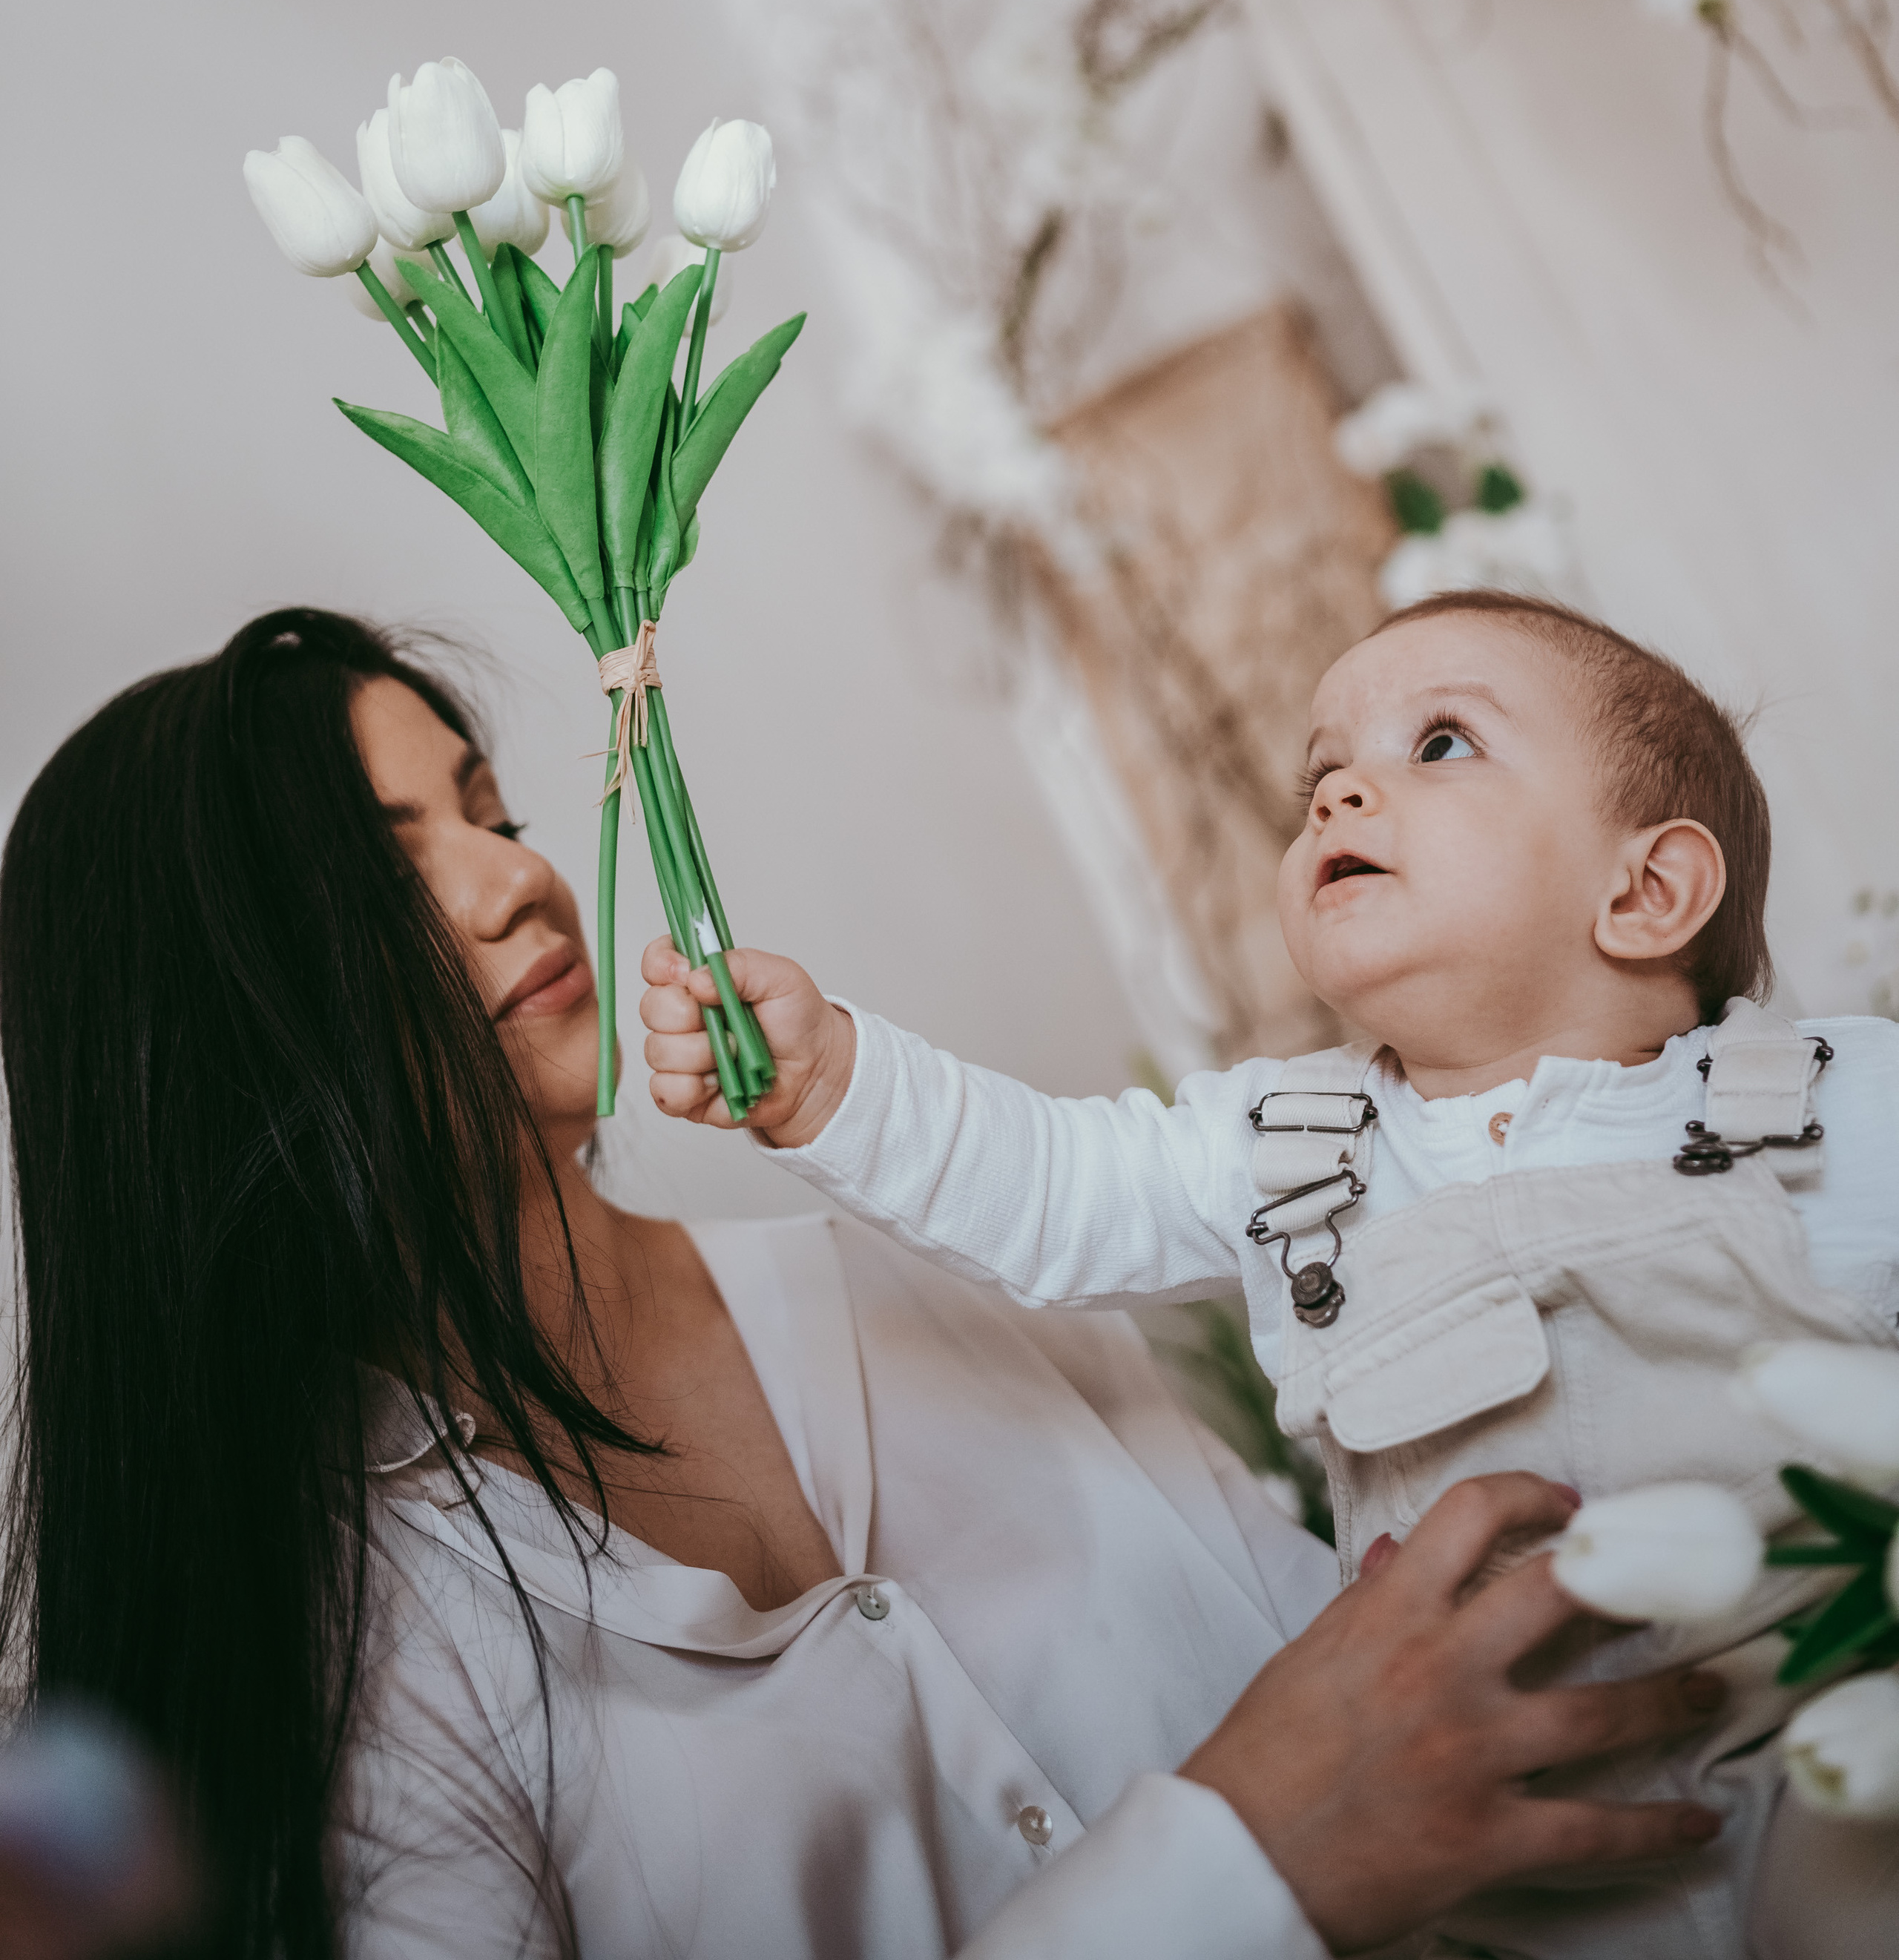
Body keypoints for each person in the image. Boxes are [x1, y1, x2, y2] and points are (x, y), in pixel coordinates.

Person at [0, 608, 1727, 1960]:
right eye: (384, 873)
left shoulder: (923, 1288)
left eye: (490, 809)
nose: (516, 874)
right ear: (199, 1044)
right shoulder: (360, 1668)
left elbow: (1383, 1648)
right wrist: (1237, 1861)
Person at [641, 588, 1899, 1959]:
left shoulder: (1829, 1104)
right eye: (1320, 778)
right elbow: (1057, 1188)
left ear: (1646, 892)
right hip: (1494, 1863)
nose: (1340, 794)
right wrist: (835, 1080)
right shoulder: (1291, 1148)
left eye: (1440, 745)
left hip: (1821, 1771)